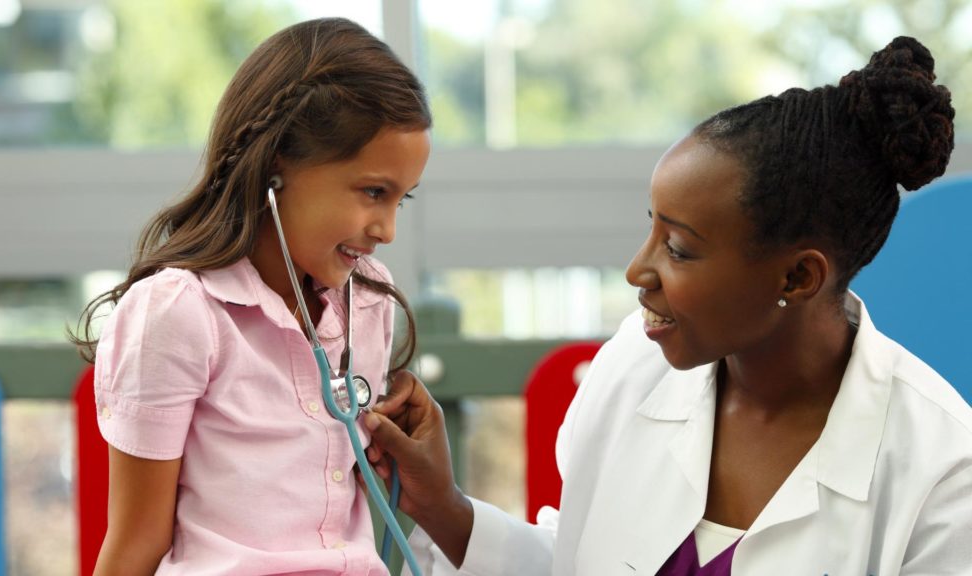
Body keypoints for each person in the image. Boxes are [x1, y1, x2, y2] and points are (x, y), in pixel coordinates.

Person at [363, 36, 972, 575]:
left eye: (678, 249)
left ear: (798, 275)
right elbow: (576, 558)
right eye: (652, 228)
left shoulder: (942, 471)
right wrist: (444, 506)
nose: (637, 270)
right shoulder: (634, 363)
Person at [70, 17, 432, 575]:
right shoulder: (178, 313)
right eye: (372, 192)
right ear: (277, 165)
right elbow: (134, 544)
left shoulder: (368, 302)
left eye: (400, 200)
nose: (386, 229)